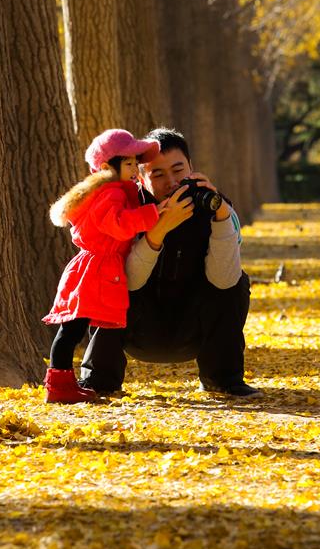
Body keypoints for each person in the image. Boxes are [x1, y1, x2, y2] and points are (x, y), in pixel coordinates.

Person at [79, 127, 259, 398]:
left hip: (194, 329)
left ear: (192, 168)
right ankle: (99, 380)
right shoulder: (126, 210)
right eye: (158, 174)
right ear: (140, 178)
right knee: (105, 277)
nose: (171, 182)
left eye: (178, 170)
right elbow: (131, 281)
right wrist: (158, 230)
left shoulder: (215, 207)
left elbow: (225, 281)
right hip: (136, 329)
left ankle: (222, 379)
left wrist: (220, 215)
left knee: (238, 283)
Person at [42, 128, 162, 404]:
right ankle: (58, 385)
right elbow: (118, 226)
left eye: (136, 162)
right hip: (95, 270)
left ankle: (61, 383)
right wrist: (154, 214)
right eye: (129, 163)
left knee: (74, 328)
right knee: (72, 328)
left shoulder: (117, 190)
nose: (135, 169)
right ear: (108, 167)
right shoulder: (112, 194)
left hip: (96, 267)